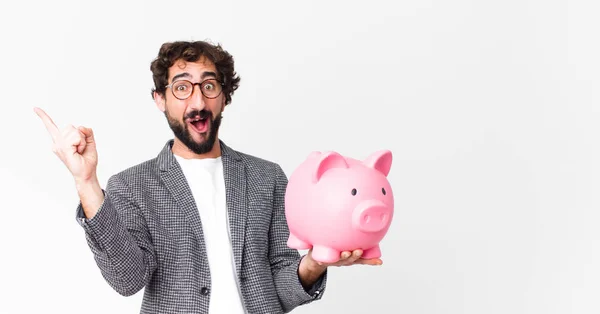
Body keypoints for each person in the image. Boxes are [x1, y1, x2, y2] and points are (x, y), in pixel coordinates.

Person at [34, 40, 382, 314]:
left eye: (209, 86)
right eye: (182, 88)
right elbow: (127, 279)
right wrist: (86, 182)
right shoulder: (132, 186)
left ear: (224, 97)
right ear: (161, 99)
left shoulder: (269, 177)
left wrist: (314, 263)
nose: (198, 101)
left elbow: (281, 290)